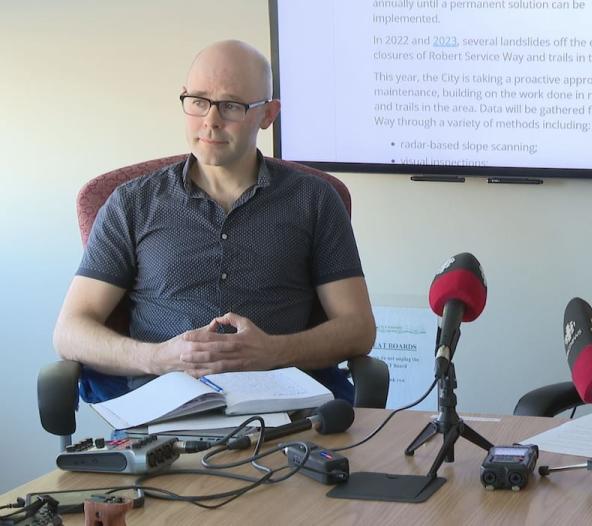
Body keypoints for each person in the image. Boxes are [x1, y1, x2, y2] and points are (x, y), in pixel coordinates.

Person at [52, 40, 376, 405]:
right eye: (199, 101)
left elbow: (358, 329)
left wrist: (273, 351)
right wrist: (158, 358)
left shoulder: (313, 200)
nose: (211, 120)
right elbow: (71, 331)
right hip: (162, 410)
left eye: (231, 106)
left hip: (286, 407)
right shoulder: (132, 203)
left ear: (268, 114)